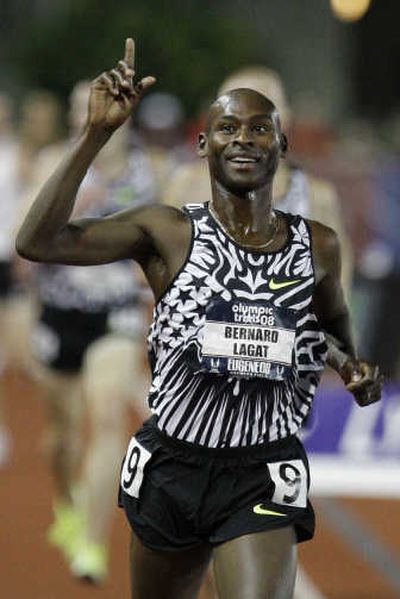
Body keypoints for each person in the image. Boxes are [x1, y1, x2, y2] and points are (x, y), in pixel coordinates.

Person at [17, 38, 383, 599]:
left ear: (282, 144)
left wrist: (350, 364)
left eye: (259, 128)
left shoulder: (319, 244)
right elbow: (38, 242)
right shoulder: (167, 230)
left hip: (262, 464)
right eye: (228, 128)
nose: (243, 138)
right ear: (202, 144)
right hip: (173, 463)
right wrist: (95, 134)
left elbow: (330, 329)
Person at [20, 81, 153, 584]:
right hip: (59, 312)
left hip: (116, 313)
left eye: (89, 105)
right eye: (77, 108)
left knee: (104, 420)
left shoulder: (147, 170)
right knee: (60, 439)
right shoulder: (53, 161)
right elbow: (24, 237)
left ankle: (92, 544)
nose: (86, 114)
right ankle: (66, 504)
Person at [162, 65, 353, 293]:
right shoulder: (187, 185)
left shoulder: (316, 196)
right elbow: (155, 266)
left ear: (285, 117)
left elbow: (338, 275)